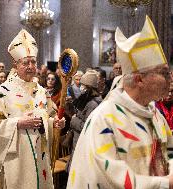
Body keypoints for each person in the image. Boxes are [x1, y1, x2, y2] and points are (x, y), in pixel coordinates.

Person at [67, 16, 173, 189]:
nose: (170, 79)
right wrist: (165, 183)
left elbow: (169, 149)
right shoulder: (105, 119)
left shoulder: (154, 113)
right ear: (139, 80)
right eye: (163, 73)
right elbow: (108, 179)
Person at [0, 29, 65, 189]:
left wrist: (54, 123)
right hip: (18, 159)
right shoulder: (3, 92)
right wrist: (17, 123)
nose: (31, 66)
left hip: (40, 157)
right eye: (25, 62)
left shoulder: (41, 91)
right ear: (16, 64)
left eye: (33, 62)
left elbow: (46, 118)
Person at [66, 70, 102, 172]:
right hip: (78, 141)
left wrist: (73, 120)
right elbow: (80, 114)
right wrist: (69, 106)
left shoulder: (93, 104)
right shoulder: (86, 99)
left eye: (83, 85)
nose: (81, 88)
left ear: (89, 88)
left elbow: (87, 126)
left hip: (83, 144)